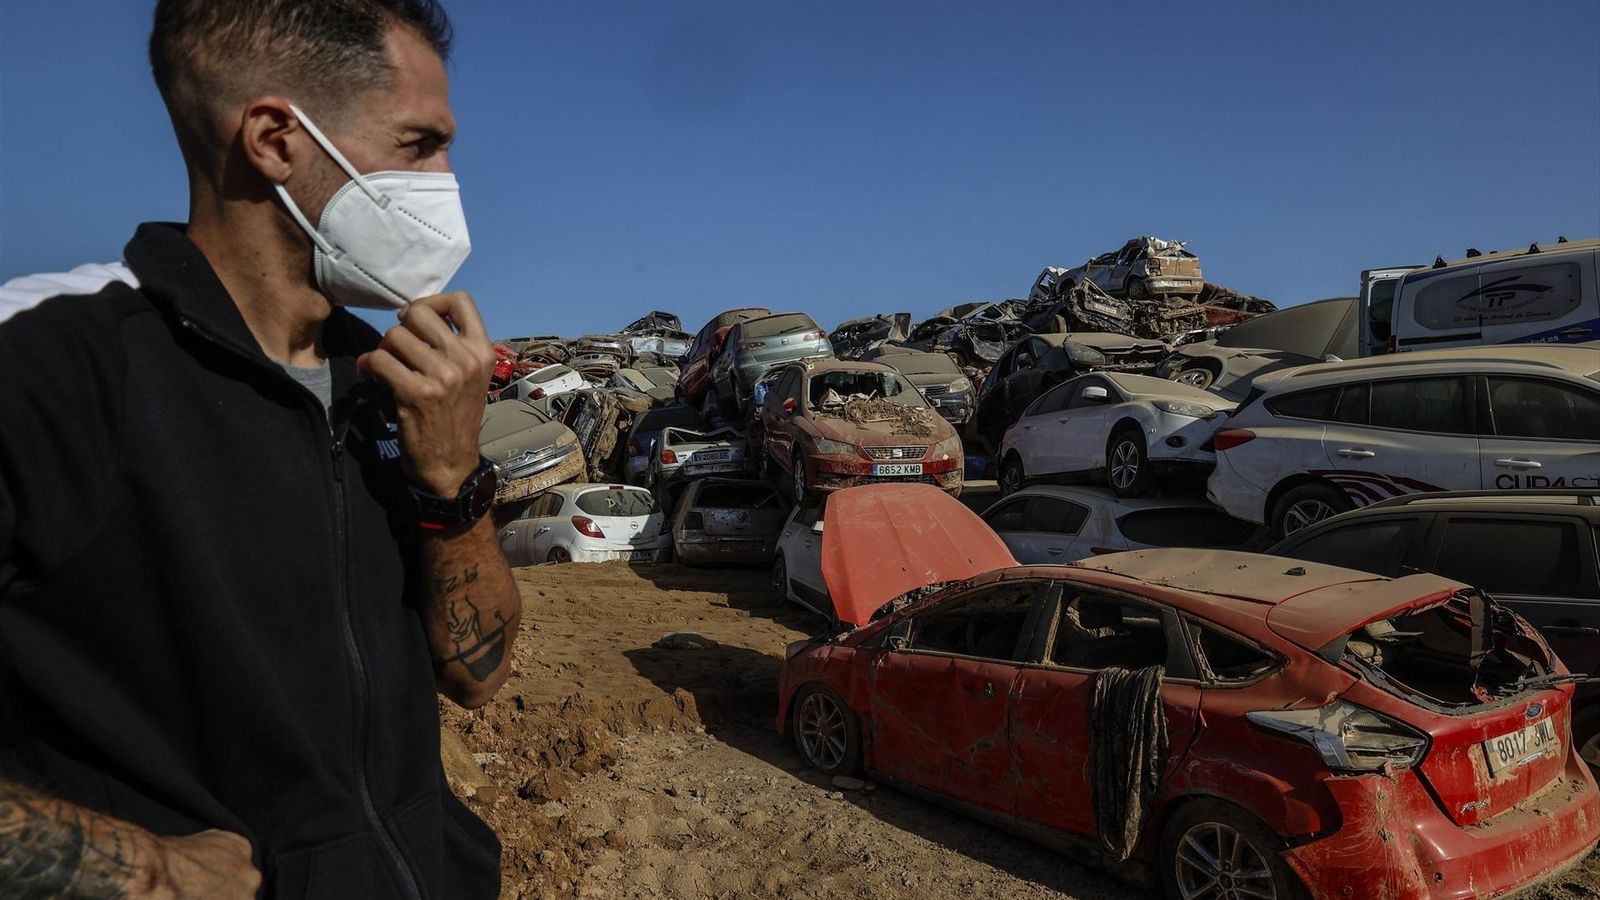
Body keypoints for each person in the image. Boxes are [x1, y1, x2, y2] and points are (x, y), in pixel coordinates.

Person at [0, 1, 519, 897]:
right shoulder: (53, 359)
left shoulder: (390, 378)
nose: (447, 180)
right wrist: (143, 870)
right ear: (277, 139)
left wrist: (451, 480)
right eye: (418, 144)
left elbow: (478, 679)